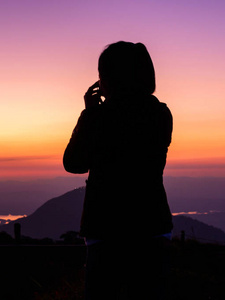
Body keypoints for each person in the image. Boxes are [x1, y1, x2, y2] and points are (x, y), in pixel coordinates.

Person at [63, 41, 173, 300]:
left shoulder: (101, 117)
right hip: (152, 222)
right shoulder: (160, 113)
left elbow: (74, 163)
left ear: (109, 78)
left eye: (101, 76)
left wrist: (88, 114)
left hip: (106, 226)